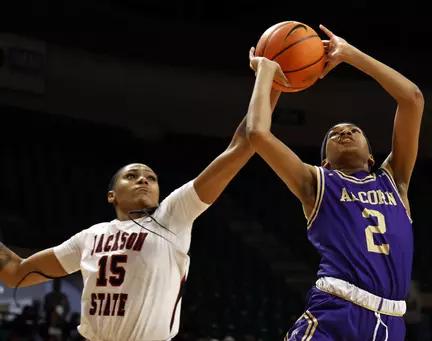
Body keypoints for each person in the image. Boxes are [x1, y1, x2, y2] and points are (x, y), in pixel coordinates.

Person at [0, 84, 283, 340]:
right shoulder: (90, 237)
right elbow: (16, 273)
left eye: (151, 177)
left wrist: (272, 85)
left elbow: (241, 146)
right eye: (132, 176)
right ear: (112, 195)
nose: (144, 180)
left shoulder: (172, 216)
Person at [246, 24, 424, 341]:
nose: (344, 132)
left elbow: (412, 98)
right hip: (336, 312)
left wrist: (350, 54)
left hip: (392, 323)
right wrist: (266, 74)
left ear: (371, 157)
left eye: (353, 130)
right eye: (334, 134)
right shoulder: (317, 182)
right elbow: (258, 134)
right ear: (325, 161)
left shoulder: (394, 181)